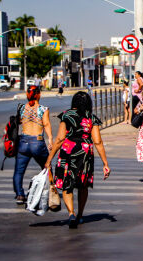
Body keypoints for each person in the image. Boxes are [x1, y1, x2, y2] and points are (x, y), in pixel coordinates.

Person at [45, 92, 111, 228]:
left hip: (68, 151)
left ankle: (71, 213)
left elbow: (59, 139)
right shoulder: (91, 118)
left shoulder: (66, 115)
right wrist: (105, 163)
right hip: (85, 153)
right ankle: (80, 215)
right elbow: (97, 141)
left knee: (66, 183)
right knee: (83, 184)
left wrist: (49, 159)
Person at [13, 85, 53, 204]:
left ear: (27, 94)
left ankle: (20, 195)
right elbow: (46, 124)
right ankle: (51, 190)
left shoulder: (21, 108)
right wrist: (50, 138)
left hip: (23, 142)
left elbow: (20, 121)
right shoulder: (43, 109)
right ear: (39, 94)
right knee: (47, 167)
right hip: (37, 142)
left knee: (19, 171)